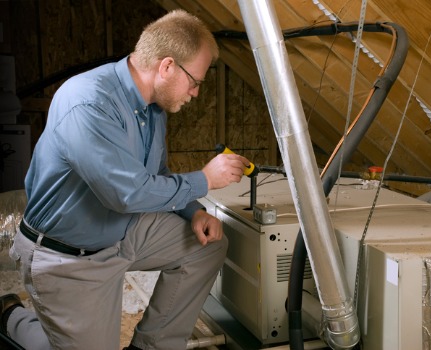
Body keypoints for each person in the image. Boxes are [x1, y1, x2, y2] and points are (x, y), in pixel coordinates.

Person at [0, 9, 250, 350]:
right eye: (195, 81)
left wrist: (194, 212)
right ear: (166, 67)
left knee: (207, 246)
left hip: (120, 232)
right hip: (68, 257)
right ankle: (12, 316)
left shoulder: (154, 108)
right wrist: (205, 179)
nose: (195, 93)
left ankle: (149, 346)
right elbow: (127, 195)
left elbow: (155, 176)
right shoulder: (88, 102)